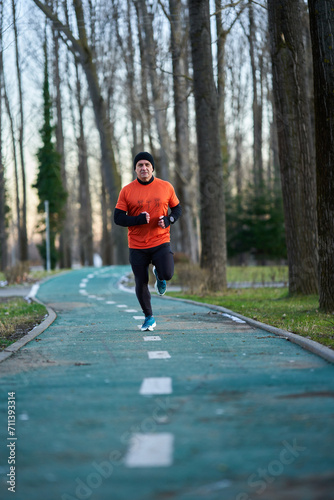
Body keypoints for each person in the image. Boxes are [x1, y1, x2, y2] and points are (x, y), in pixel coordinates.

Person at [114, 152, 182, 331]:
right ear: (135, 169)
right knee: (141, 281)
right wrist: (137, 219)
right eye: (140, 165)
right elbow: (118, 218)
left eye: (147, 165)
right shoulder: (127, 190)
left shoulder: (166, 187)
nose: (143, 168)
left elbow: (177, 209)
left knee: (167, 274)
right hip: (137, 245)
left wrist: (169, 220)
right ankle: (149, 317)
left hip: (160, 240)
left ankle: (159, 275)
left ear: (152, 167)